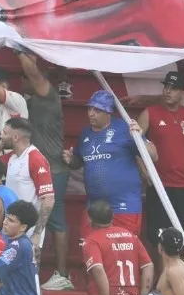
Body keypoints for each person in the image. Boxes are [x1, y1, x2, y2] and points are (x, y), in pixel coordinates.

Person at [64, 90, 156, 241]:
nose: (91, 114)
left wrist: (139, 137)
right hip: (94, 207)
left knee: (122, 253)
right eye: (89, 109)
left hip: (124, 205)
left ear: (109, 112)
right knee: (91, 254)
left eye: (97, 110)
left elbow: (154, 155)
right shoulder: (85, 133)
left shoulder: (125, 128)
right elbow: (79, 161)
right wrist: (71, 160)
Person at [139, 71, 184, 250]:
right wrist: (144, 172)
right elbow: (134, 145)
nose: (168, 91)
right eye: (166, 87)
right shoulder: (150, 113)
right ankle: (163, 277)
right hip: (161, 185)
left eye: (174, 88)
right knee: (159, 237)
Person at [19, 51, 70, 290]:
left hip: (54, 169)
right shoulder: (32, 101)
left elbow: (31, 71)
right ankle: (30, 269)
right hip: (40, 167)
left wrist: (17, 46)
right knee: (35, 220)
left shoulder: (49, 96)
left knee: (55, 221)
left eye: (26, 78)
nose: (23, 80)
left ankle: (62, 274)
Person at [0, 117, 55, 260]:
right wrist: (2, 143)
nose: (1, 136)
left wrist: (37, 234)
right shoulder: (12, 157)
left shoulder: (35, 159)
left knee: (29, 276)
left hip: (28, 233)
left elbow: (48, 199)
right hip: (10, 229)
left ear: (16, 137)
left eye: (4, 133)